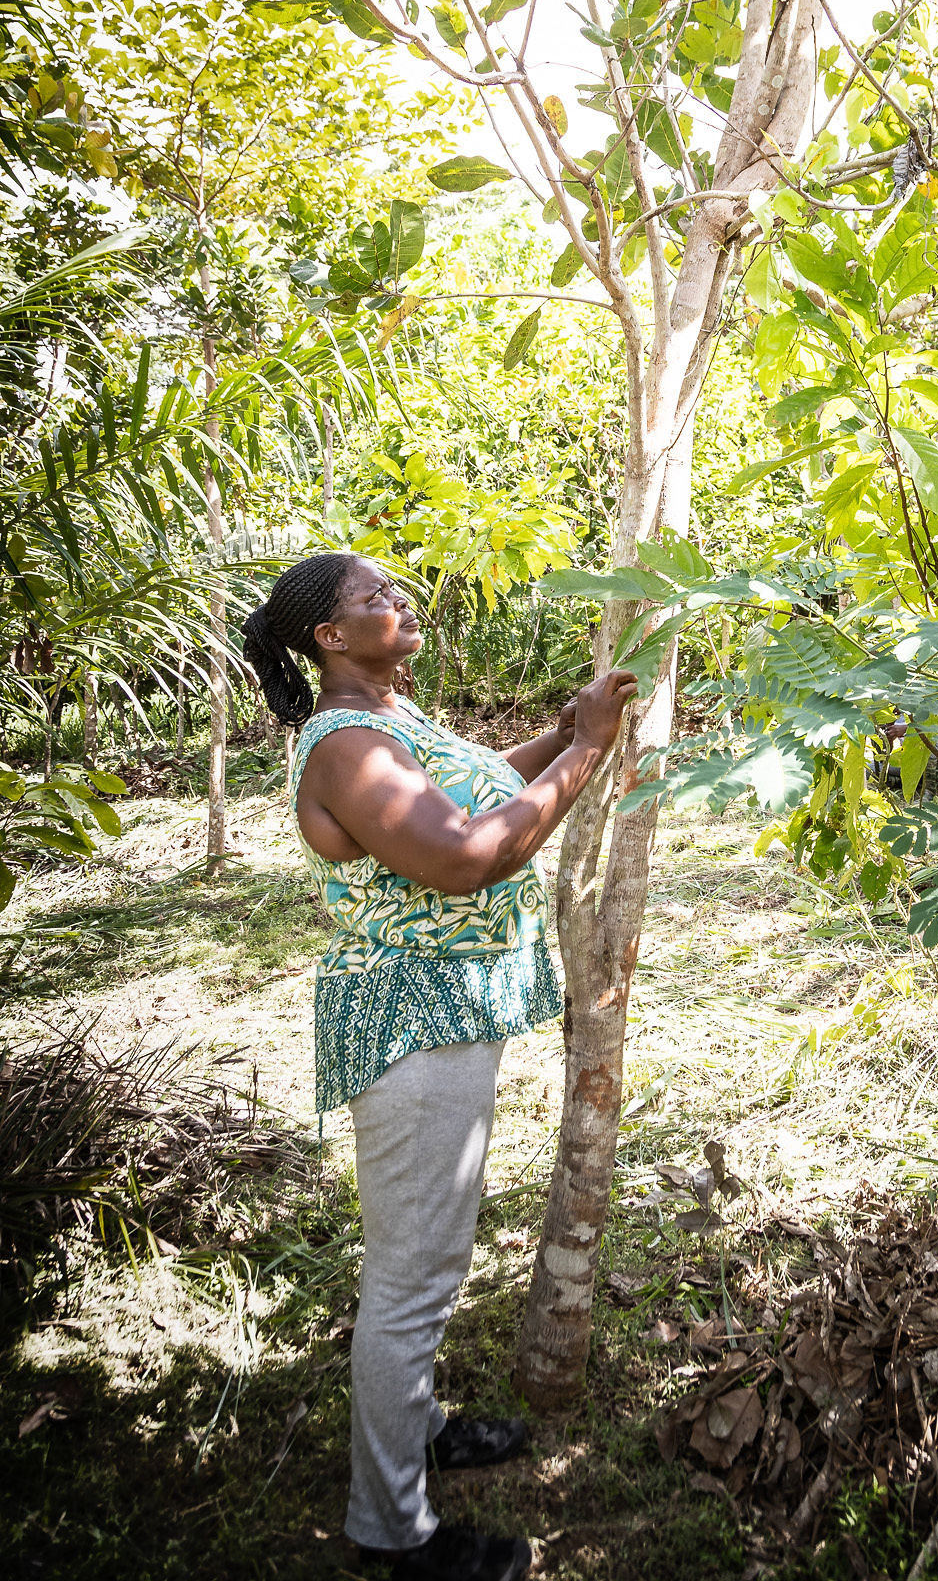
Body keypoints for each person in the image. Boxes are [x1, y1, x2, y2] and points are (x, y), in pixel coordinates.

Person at [240, 552, 636, 1581]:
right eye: (374, 599)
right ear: (330, 638)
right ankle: (391, 1529)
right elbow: (463, 853)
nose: (397, 602)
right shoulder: (345, 740)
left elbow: (473, 784)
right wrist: (584, 757)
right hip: (413, 1027)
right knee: (411, 1279)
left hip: (445, 1016)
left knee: (428, 1260)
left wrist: (556, 732)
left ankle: (415, 1433)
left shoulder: (383, 716)